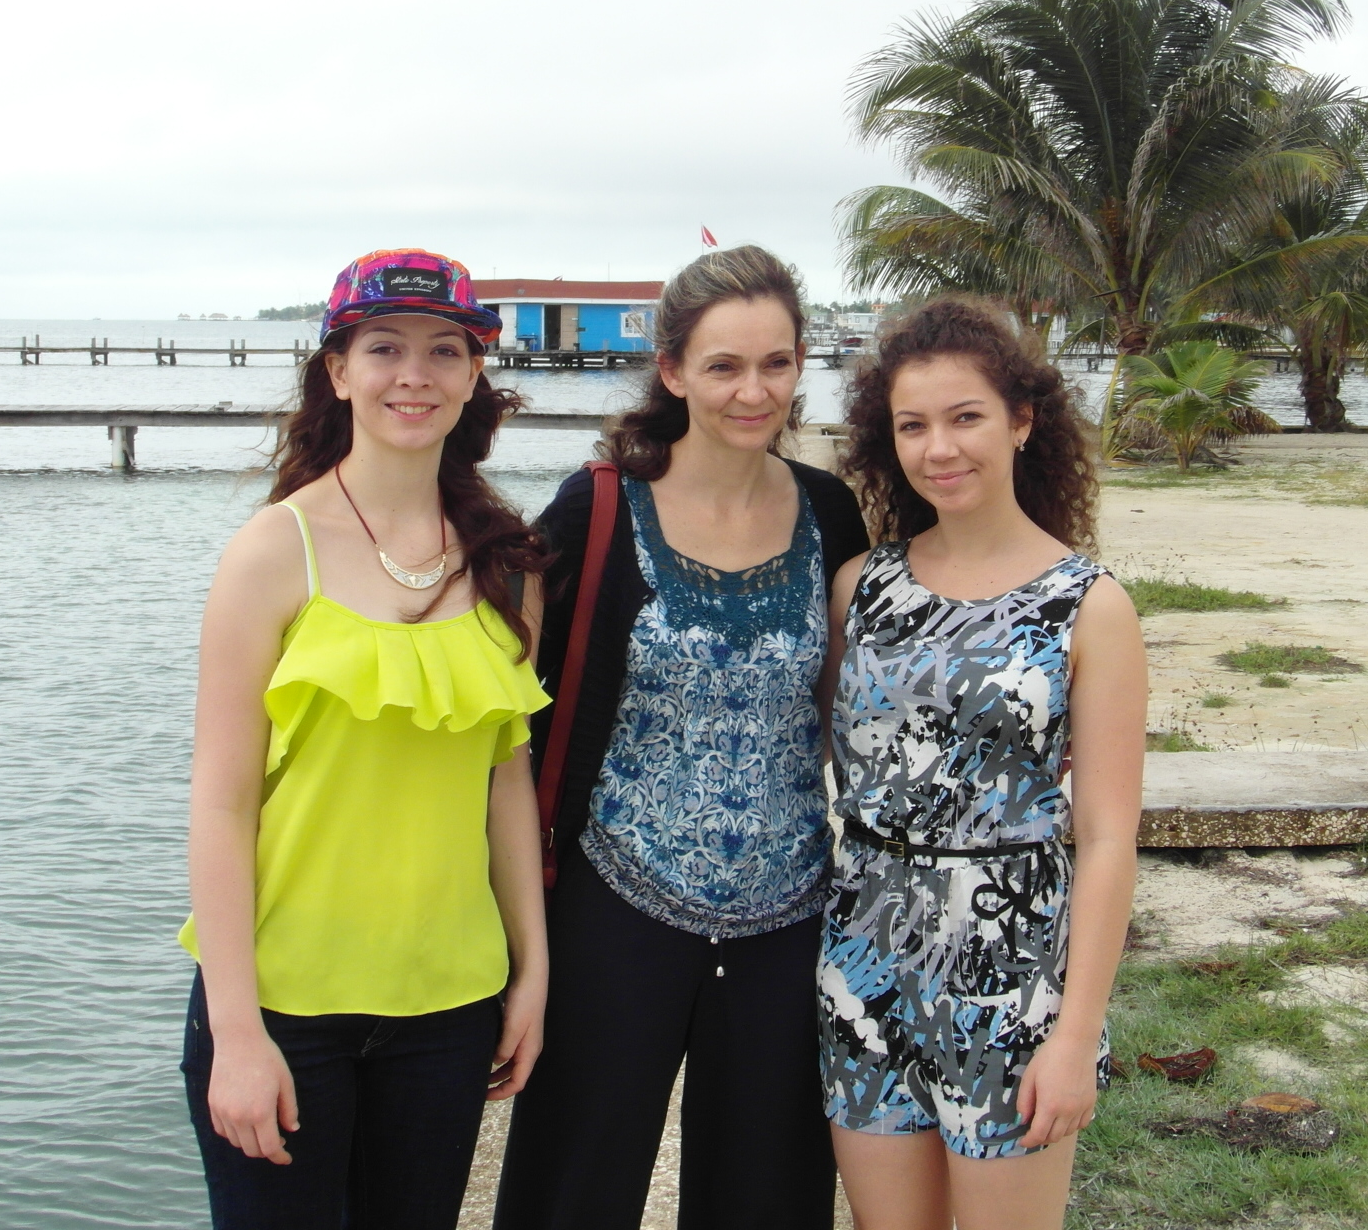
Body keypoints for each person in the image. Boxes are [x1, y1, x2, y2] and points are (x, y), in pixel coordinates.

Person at [494, 245, 869, 1230]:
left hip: (790, 915)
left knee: (771, 1200)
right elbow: (501, 692)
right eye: (724, 366)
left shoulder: (831, 512)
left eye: (777, 363)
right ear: (672, 371)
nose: (755, 391)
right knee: (571, 1192)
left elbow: (858, 698)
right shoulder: (599, 506)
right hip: (614, 904)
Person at [178, 248, 551, 1230]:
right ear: (338, 371)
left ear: (474, 374)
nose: (412, 375)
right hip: (284, 1005)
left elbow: (504, 783)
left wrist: (532, 970)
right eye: (384, 348)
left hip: (448, 1007)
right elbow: (220, 803)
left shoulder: (508, 565)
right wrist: (236, 1033)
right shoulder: (273, 551)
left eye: (443, 351)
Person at [820, 298, 1146, 1230]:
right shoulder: (860, 587)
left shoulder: (1088, 606)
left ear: (1022, 420)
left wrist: (1075, 1036)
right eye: (912, 426)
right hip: (862, 960)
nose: (939, 449)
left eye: (966, 417)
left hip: (1014, 972)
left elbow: (1109, 837)